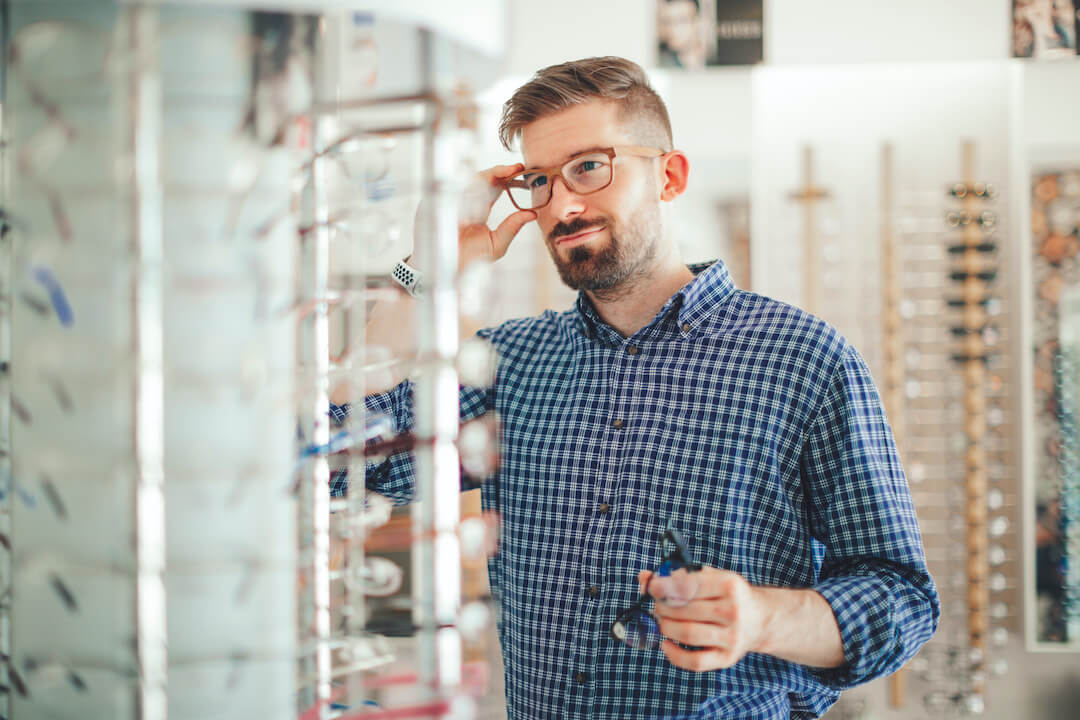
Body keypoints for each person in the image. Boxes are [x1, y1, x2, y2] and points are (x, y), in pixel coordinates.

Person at [342, 56, 939, 719]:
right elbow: (343, 460)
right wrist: (424, 266)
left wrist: (762, 617)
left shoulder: (804, 359)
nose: (562, 204)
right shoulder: (509, 362)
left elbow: (901, 600)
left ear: (670, 175)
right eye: (539, 181)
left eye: (590, 167)